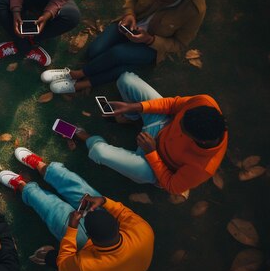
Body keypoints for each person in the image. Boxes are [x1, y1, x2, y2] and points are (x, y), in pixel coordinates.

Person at [0, 147, 154, 271]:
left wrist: (72, 228)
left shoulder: (88, 267)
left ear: (90, 236)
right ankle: (42, 166)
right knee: (81, 190)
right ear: (118, 225)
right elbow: (122, 212)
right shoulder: (144, 231)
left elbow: (64, 261)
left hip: (90, 252)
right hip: (112, 247)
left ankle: (23, 186)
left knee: (53, 210)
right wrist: (103, 201)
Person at [41, 0, 206, 93]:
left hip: (151, 46)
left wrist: (150, 40)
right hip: (127, 26)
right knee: (94, 51)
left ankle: (77, 77)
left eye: (164, 1)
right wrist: (129, 14)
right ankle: (129, 66)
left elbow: (179, 44)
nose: (158, 1)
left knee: (117, 54)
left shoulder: (195, 10)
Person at [65, 72, 228, 195]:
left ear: (199, 141)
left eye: (182, 129)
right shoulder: (205, 102)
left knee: (98, 152)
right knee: (126, 79)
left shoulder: (204, 168)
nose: (178, 123)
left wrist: (152, 152)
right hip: (161, 123)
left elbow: (171, 186)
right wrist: (135, 107)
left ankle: (85, 137)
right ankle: (131, 118)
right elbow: (172, 105)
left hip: (153, 165)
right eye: (180, 120)